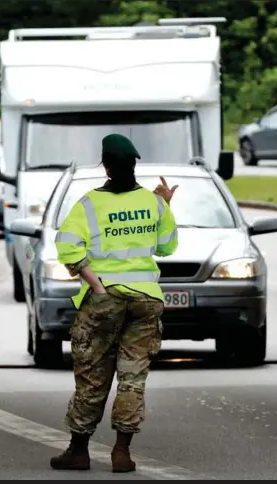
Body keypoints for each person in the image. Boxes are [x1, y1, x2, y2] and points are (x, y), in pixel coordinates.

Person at [50, 134, 179, 473]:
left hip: (105, 299)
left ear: (105, 166)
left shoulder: (89, 204)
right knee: (132, 378)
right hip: (146, 301)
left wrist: (96, 284)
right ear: (134, 165)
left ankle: (78, 451)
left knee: (93, 375)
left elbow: (67, 246)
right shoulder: (153, 204)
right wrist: (165, 204)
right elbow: (166, 247)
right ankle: (122, 451)